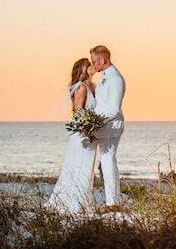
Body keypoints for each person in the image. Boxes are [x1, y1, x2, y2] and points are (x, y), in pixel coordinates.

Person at [47, 58, 98, 214]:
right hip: (82, 135)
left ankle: (82, 202)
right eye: (88, 65)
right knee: (78, 167)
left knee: (87, 170)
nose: (91, 66)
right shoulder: (81, 88)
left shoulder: (94, 86)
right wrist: (86, 129)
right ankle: (71, 203)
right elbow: (77, 113)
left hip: (91, 134)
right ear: (82, 70)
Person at [90, 45, 126, 212]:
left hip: (111, 126)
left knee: (108, 161)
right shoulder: (104, 76)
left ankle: (112, 203)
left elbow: (114, 109)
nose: (93, 65)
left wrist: (94, 121)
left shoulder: (116, 79)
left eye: (94, 62)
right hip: (103, 126)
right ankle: (113, 200)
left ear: (103, 60)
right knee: (106, 162)